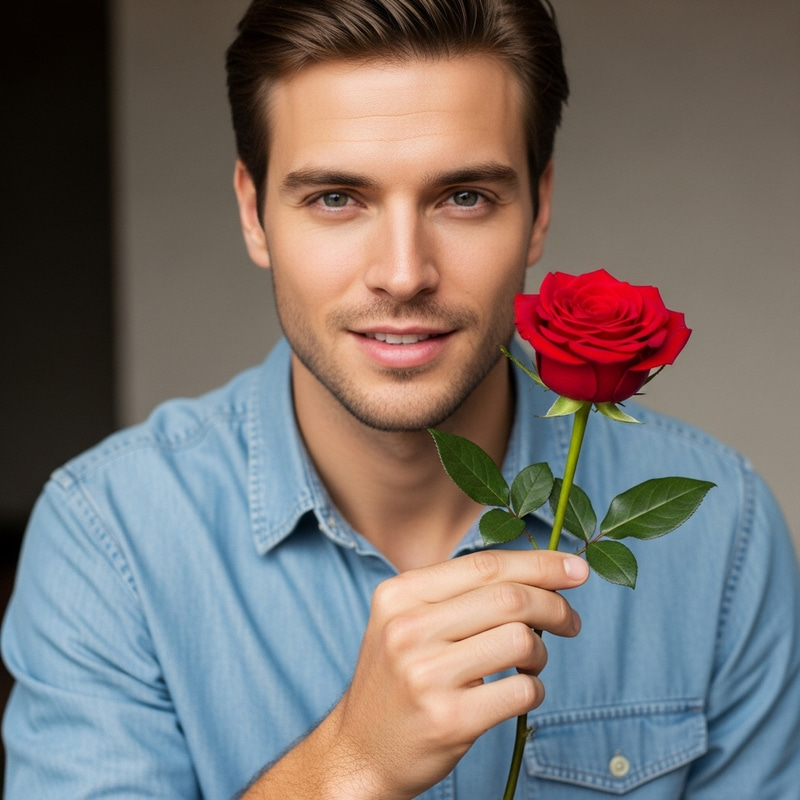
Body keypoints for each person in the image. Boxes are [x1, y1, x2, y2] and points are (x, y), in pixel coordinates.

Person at [3, 0, 799, 797]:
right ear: (253, 214)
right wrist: (351, 763)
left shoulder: (722, 531)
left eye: (463, 197)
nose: (403, 272)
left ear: (538, 210)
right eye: (336, 199)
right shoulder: (107, 540)